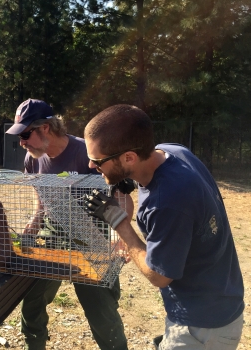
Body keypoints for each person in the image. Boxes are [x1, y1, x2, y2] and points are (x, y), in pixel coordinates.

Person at [83, 104, 244, 350]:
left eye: (97, 160)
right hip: (220, 302)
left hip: (202, 328)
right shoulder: (173, 151)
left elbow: (159, 276)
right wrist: (126, 180)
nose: (92, 166)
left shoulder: (167, 204)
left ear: (129, 157)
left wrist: (118, 222)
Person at [6, 98, 131, 350]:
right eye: (19, 136)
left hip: (91, 234)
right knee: (32, 300)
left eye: (26, 134)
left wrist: (120, 235)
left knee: (101, 310)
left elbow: (122, 195)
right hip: (52, 232)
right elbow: (42, 203)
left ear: (45, 128)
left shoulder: (88, 152)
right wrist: (29, 231)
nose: (21, 143)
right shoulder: (33, 159)